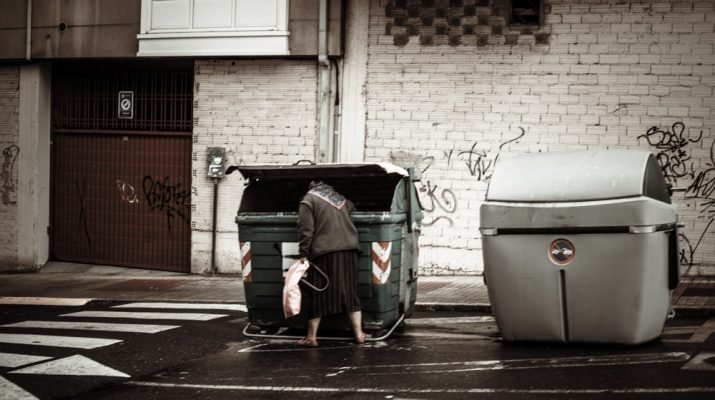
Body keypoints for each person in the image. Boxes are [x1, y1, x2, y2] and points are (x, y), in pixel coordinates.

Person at [296, 179, 366, 347]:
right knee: (350, 291)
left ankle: (311, 337)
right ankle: (359, 333)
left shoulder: (308, 200)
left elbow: (306, 229)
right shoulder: (341, 199)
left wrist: (303, 253)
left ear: (311, 187)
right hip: (349, 249)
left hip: (325, 251)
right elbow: (353, 210)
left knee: (319, 290)